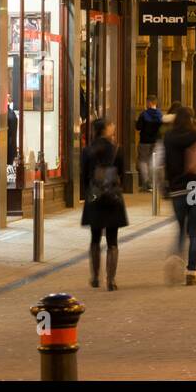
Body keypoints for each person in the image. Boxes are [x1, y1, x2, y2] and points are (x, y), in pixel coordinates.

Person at [162, 106, 196, 286]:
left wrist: (163, 181)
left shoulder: (167, 139)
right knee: (194, 232)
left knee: (180, 229)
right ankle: (191, 272)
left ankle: (176, 258)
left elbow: (156, 164)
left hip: (177, 190)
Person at [80, 118, 128, 291]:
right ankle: (111, 280)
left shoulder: (87, 150)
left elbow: (84, 175)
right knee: (112, 240)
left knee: (94, 238)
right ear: (105, 129)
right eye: (110, 124)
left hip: (94, 197)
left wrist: (90, 192)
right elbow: (122, 172)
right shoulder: (117, 149)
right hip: (113, 197)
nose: (113, 126)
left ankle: (94, 277)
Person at [134, 97, 163, 192]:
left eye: (147, 102)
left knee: (143, 161)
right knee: (152, 162)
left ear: (149, 103)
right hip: (156, 141)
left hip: (144, 141)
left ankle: (146, 182)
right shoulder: (160, 114)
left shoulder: (143, 114)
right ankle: (152, 182)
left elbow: (138, 127)